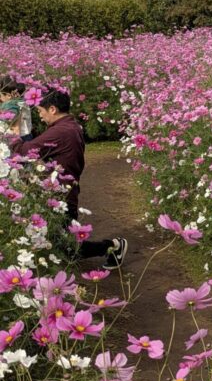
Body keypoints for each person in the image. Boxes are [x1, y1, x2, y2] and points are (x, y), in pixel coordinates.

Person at [8, 86, 127, 269]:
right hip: (59, 192)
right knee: (57, 242)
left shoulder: (61, 132)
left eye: (40, 111)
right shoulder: (69, 126)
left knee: (67, 248)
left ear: (53, 109)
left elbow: (25, 151)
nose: (39, 116)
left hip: (61, 196)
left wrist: (13, 135)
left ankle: (113, 246)